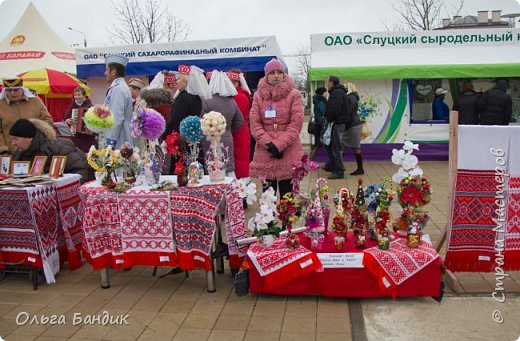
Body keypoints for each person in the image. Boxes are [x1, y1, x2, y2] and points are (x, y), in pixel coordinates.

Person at [249, 58, 304, 198]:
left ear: (284, 74)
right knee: (268, 197)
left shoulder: (294, 94)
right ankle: (269, 221)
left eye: (279, 72)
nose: (276, 75)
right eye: (272, 72)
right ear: (266, 75)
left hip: (289, 150)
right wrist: (269, 144)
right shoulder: (258, 95)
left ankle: (287, 220)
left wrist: (279, 144)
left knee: (288, 197)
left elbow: (296, 123)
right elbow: (255, 123)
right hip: (265, 151)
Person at [9, 118, 92, 183]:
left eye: (15, 139)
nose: (13, 143)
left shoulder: (60, 147)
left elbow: (79, 172)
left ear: (29, 138)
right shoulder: (19, 154)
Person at [164, 65, 211, 174]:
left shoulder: (183, 98)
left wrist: (166, 136)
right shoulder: (197, 98)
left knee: (181, 171)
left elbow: (175, 121)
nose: (177, 81)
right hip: (194, 139)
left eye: (179, 79)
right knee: (195, 168)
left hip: (181, 142)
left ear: (186, 82)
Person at [202, 71, 244, 177]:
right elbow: (240, 121)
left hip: (209, 139)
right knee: (228, 168)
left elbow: (201, 120)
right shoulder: (232, 101)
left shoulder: (206, 100)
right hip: (227, 138)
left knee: (212, 168)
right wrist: (227, 130)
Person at [0, 78, 53, 154]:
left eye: (16, 90)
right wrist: (3, 149)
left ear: (22, 89)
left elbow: (47, 120)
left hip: (36, 149)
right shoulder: (1, 105)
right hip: (11, 151)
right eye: (8, 90)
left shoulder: (35, 101)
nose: (12, 93)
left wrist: (36, 136)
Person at [103, 54, 134, 148]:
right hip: (120, 138)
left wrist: (110, 144)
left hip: (119, 141)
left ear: (113, 72)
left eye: (107, 70)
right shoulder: (118, 87)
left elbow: (116, 118)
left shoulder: (118, 89)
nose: (105, 73)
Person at [227, 69, 251, 181]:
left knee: (239, 161)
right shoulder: (233, 96)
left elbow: (233, 119)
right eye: (229, 82)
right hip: (236, 132)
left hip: (238, 133)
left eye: (234, 82)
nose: (231, 85)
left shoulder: (240, 97)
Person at [323, 76, 348, 179]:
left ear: (331, 82)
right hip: (338, 123)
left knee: (336, 148)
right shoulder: (338, 91)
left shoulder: (337, 93)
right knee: (333, 147)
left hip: (337, 123)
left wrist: (329, 118)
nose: (327, 84)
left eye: (327, 82)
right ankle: (335, 167)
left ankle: (339, 171)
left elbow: (334, 108)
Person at [63, 86, 95, 152]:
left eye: (79, 95)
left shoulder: (90, 106)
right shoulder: (72, 105)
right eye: (75, 95)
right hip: (76, 136)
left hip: (87, 137)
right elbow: (66, 117)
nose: (77, 97)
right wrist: (67, 121)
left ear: (84, 96)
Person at [309, 87, 327, 160]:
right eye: (325, 92)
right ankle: (311, 159)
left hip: (318, 124)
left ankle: (311, 158)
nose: (327, 93)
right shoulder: (321, 102)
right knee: (318, 144)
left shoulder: (317, 101)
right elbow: (324, 113)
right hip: (321, 124)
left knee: (317, 143)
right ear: (322, 93)